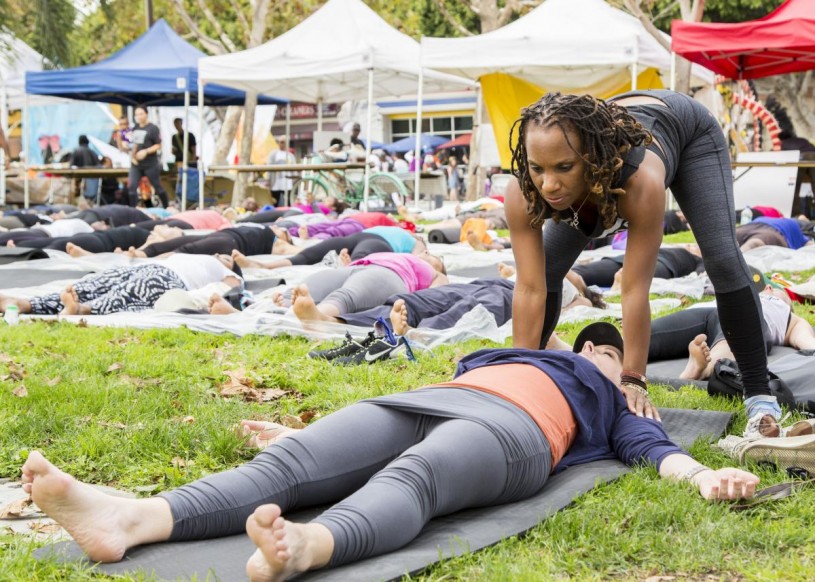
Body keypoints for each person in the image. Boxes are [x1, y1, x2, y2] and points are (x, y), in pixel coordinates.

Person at [20, 321, 758, 580]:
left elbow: (659, 453)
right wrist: (301, 436)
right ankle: (126, 521)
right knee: (288, 466)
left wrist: (701, 476)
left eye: (609, 355)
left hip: (515, 435)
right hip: (424, 399)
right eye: (593, 348)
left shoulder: (613, 405)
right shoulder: (506, 353)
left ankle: (309, 546)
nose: (598, 356)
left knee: (421, 474)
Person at [506, 89, 780, 437]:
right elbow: (530, 286)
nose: (549, 184)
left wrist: (633, 378)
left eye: (564, 167)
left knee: (723, 260)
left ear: (591, 158)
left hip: (688, 132)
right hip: (610, 153)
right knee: (547, 271)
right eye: (537, 168)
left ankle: (759, 396)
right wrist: (516, 376)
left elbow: (634, 289)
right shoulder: (523, 191)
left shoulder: (639, 184)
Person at [649, 285, 815, 384]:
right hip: (705, 312)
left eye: (781, 294)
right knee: (647, 337)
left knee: (733, 339)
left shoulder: (788, 316)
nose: (770, 288)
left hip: (746, 315)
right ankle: (624, 356)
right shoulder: (738, 287)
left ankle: (703, 368)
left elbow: (806, 341)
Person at [0, 253, 242, 316]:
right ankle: (26, 304)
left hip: (170, 280)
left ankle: (83, 310)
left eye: (227, 258)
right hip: (147, 267)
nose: (221, 255)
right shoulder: (191, 257)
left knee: (127, 294)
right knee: (92, 284)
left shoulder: (226, 272)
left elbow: (229, 289)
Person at [128, 105, 169, 208]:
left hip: (150, 164)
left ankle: (166, 206)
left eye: (141, 114)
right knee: (132, 187)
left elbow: (158, 145)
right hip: (137, 164)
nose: (139, 116)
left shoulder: (153, 128)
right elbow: (134, 144)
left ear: (146, 114)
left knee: (157, 186)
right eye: (136, 114)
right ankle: (132, 209)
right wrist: (133, 156)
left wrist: (146, 151)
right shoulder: (135, 128)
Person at [267, 136, 295, 205]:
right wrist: (268, 179)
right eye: (280, 142)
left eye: (283, 142)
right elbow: (269, 167)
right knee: (275, 201)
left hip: (287, 182)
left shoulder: (290, 156)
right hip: (276, 182)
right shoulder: (273, 154)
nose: (281, 144)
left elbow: (294, 169)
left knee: (289, 201)